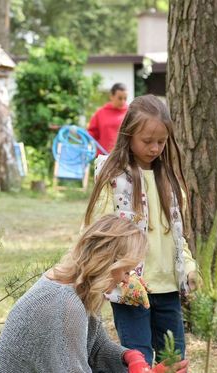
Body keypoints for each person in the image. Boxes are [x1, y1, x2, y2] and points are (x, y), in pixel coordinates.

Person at [0, 215, 188, 373]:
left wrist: (130, 357)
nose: (127, 280)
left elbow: (96, 348)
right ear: (106, 263)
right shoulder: (64, 303)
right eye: (126, 271)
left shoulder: (78, 287)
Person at [84, 95, 198, 365]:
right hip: (130, 289)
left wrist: (190, 267)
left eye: (161, 141)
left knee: (174, 359)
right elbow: (98, 231)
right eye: (147, 141)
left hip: (168, 287)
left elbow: (177, 235)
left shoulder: (169, 178)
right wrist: (114, 270)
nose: (155, 148)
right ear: (128, 135)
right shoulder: (113, 177)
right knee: (138, 359)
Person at [88, 83, 129, 154]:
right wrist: (80, 135)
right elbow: (92, 133)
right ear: (111, 96)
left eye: (125, 98)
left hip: (123, 156)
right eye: (120, 98)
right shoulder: (100, 113)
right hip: (104, 157)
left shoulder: (130, 113)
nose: (123, 101)